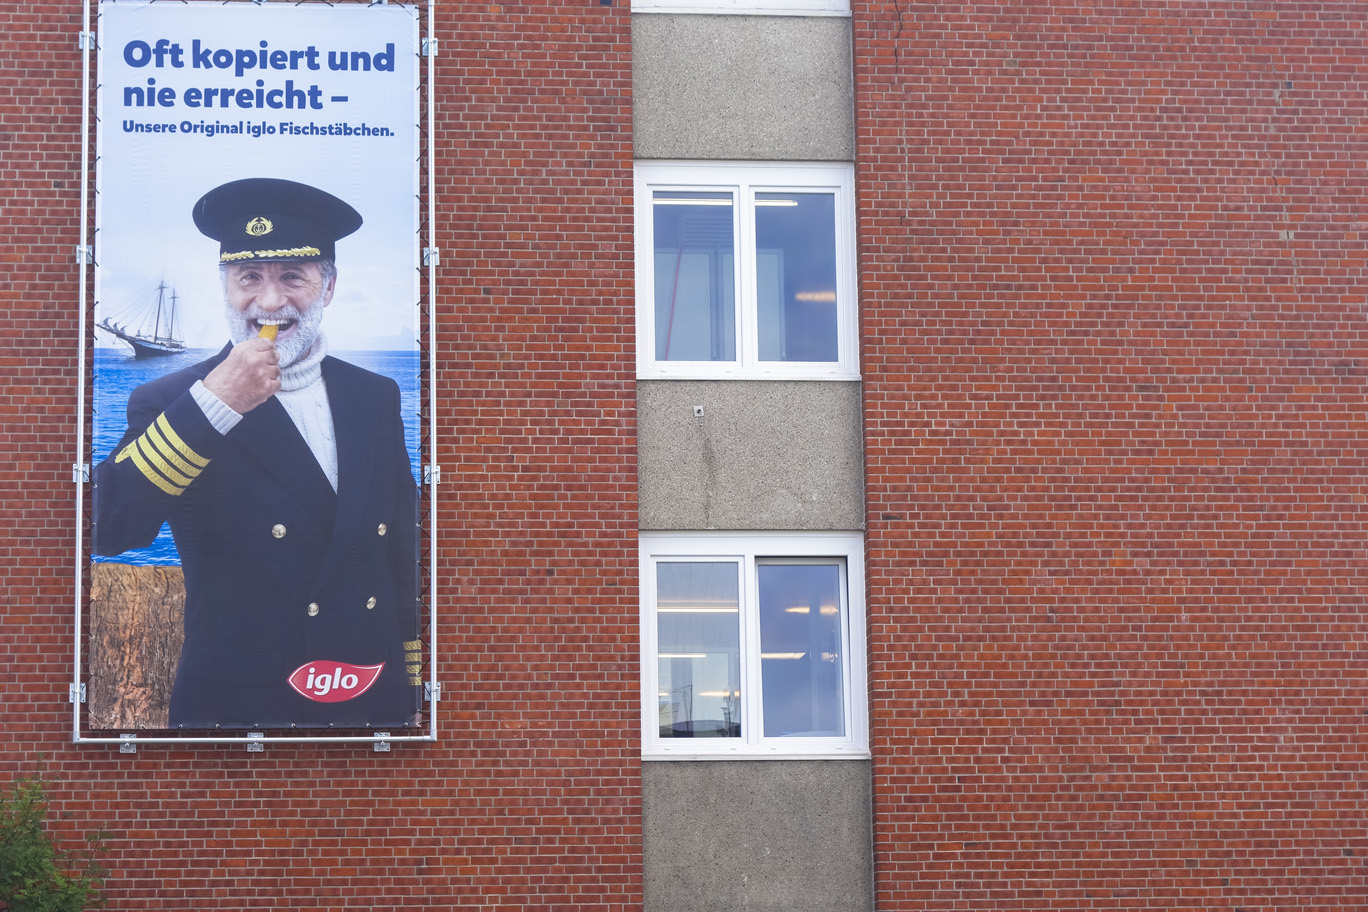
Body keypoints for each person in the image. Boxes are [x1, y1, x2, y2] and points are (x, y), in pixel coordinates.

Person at [93, 178, 421, 730]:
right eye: (249, 277)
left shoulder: (374, 395)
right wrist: (214, 405)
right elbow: (106, 529)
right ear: (225, 287)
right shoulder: (171, 400)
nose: (269, 302)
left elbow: (401, 553)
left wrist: (411, 684)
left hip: (370, 693)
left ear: (328, 287)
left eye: (293, 276)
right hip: (236, 707)